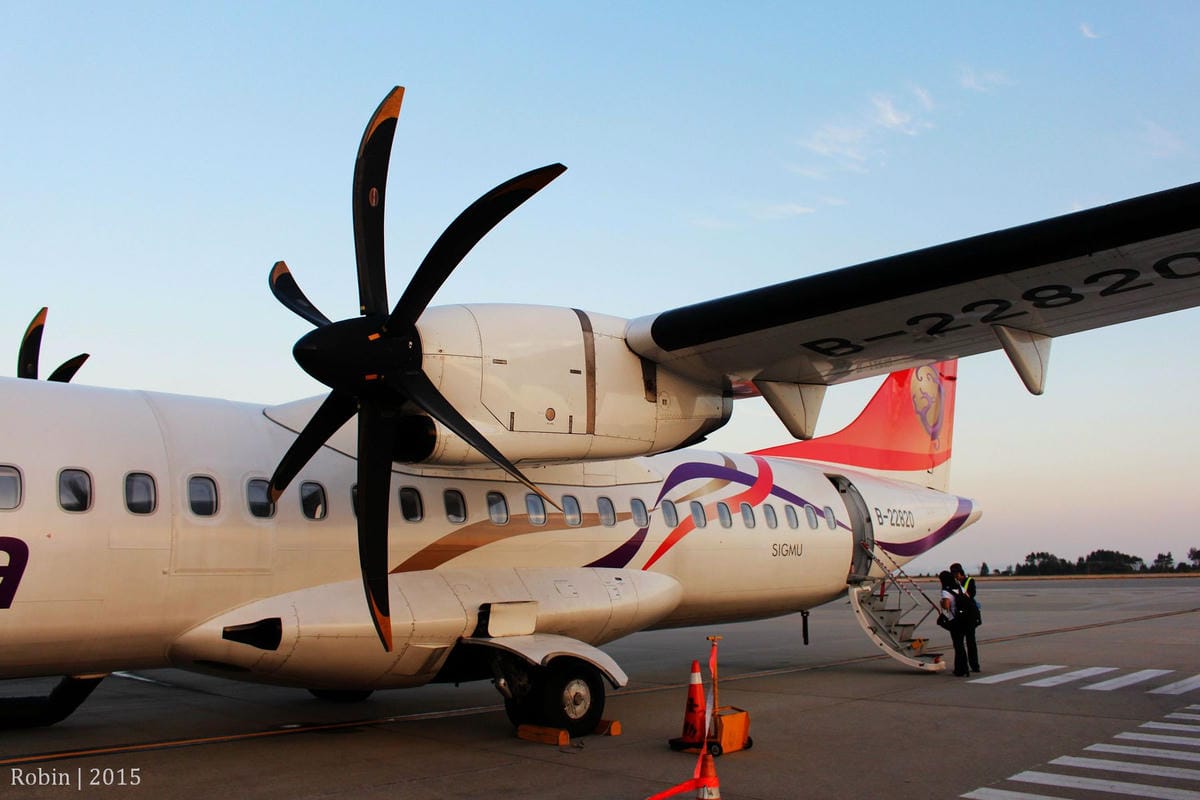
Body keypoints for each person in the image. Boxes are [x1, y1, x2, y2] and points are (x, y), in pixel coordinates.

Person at [951, 562, 981, 673]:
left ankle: (974, 665)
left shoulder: (969, 581)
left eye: (955, 574)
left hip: (969, 614)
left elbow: (971, 594)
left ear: (959, 573)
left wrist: (961, 592)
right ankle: (963, 665)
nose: (954, 576)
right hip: (960, 615)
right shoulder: (954, 583)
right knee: (961, 642)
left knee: (970, 641)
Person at [939, 570, 970, 676]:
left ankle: (961, 669)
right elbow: (968, 598)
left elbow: (946, 606)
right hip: (964, 619)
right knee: (961, 644)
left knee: (958, 645)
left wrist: (941, 603)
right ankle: (963, 667)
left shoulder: (946, 591)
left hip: (954, 620)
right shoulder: (960, 588)